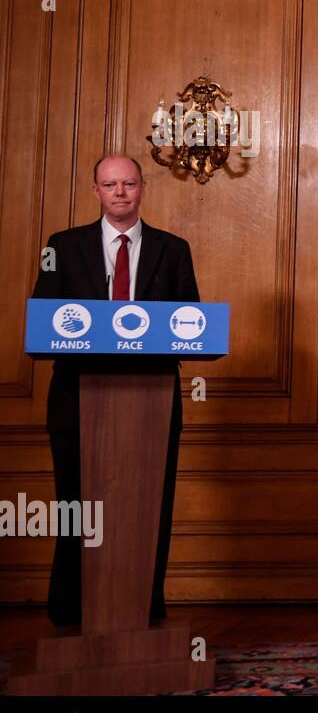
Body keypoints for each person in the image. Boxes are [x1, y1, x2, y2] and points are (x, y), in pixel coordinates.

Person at [31, 155, 200, 626]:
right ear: (96, 190)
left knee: (149, 508)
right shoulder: (60, 246)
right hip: (76, 399)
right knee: (75, 505)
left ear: (143, 188)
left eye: (128, 183)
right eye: (110, 184)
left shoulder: (174, 248)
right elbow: (43, 319)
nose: (120, 192)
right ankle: (70, 613)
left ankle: (145, 611)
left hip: (151, 402)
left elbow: (192, 323)